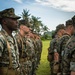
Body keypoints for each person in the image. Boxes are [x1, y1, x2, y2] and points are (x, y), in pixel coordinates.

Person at [0, 8, 21, 75]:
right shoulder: (1, 38)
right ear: (4, 22)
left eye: (16, 19)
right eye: (13, 19)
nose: (17, 22)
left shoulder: (12, 38)